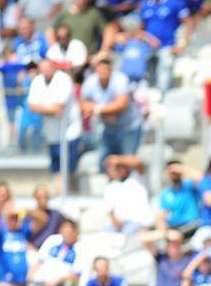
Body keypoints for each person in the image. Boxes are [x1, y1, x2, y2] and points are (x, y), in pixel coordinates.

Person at [26, 58, 82, 194]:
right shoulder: (38, 81)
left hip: (69, 133)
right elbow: (32, 107)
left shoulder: (63, 80)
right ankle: (61, 197)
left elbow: (58, 108)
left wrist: (42, 107)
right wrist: (49, 109)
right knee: (57, 170)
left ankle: (71, 197)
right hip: (52, 134)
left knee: (69, 170)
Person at [79, 56, 141, 162]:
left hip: (128, 128)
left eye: (106, 68)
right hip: (108, 129)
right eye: (100, 68)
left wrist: (98, 110)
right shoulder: (91, 81)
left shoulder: (120, 79)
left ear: (111, 69)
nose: (103, 71)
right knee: (105, 163)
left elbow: (121, 104)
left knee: (127, 162)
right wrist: (106, 112)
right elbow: (83, 104)